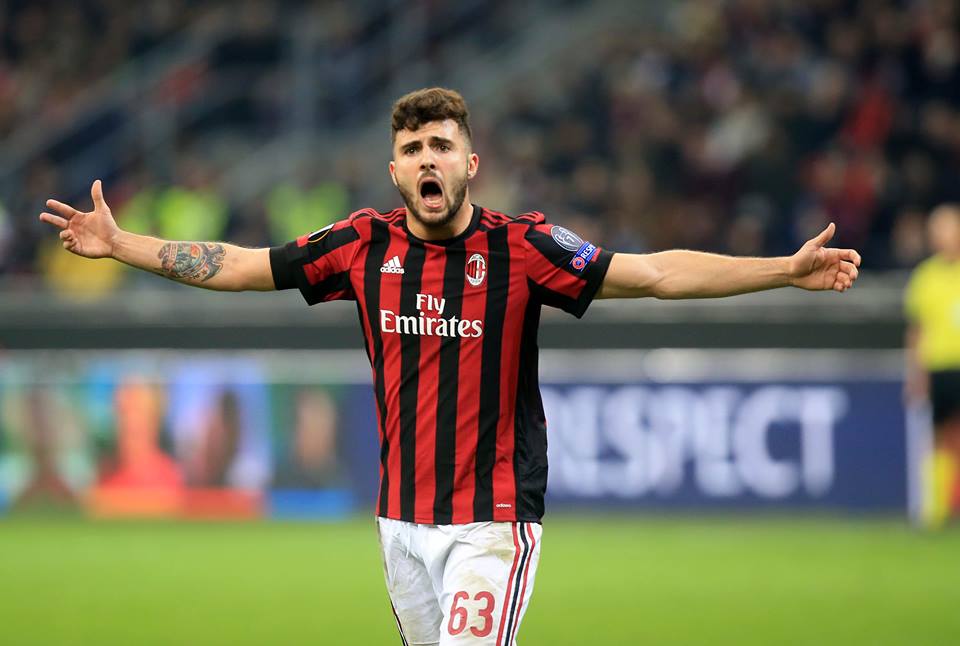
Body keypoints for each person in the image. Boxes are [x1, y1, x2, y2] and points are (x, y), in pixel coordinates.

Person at [40, 87, 860, 645]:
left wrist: (781, 270)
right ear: (395, 171)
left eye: (441, 145)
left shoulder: (525, 247)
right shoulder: (361, 244)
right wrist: (123, 245)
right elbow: (242, 264)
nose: (427, 158)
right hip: (400, 524)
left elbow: (653, 274)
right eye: (412, 148)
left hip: (491, 523)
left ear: (470, 164)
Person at [904, 204, 960, 528]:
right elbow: (917, 330)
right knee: (938, 438)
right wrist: (916, 373)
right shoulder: (925, 276)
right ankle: (935, 510)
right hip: (939, 366)